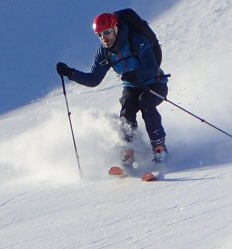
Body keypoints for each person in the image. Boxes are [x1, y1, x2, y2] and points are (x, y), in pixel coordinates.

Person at [57, 12, 168, 166]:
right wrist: (70, 73)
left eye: (107, 32)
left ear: (116, 28)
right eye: (100, 35)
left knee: (146, 103)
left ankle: (159, 148)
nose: (104, 38)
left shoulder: (136, 40)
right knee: (126, 111)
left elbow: (152, 67)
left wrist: (134, 76)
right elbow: (94, 79)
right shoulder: (104, 53)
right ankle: (129, 151)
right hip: (132, 87)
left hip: (155, 83)